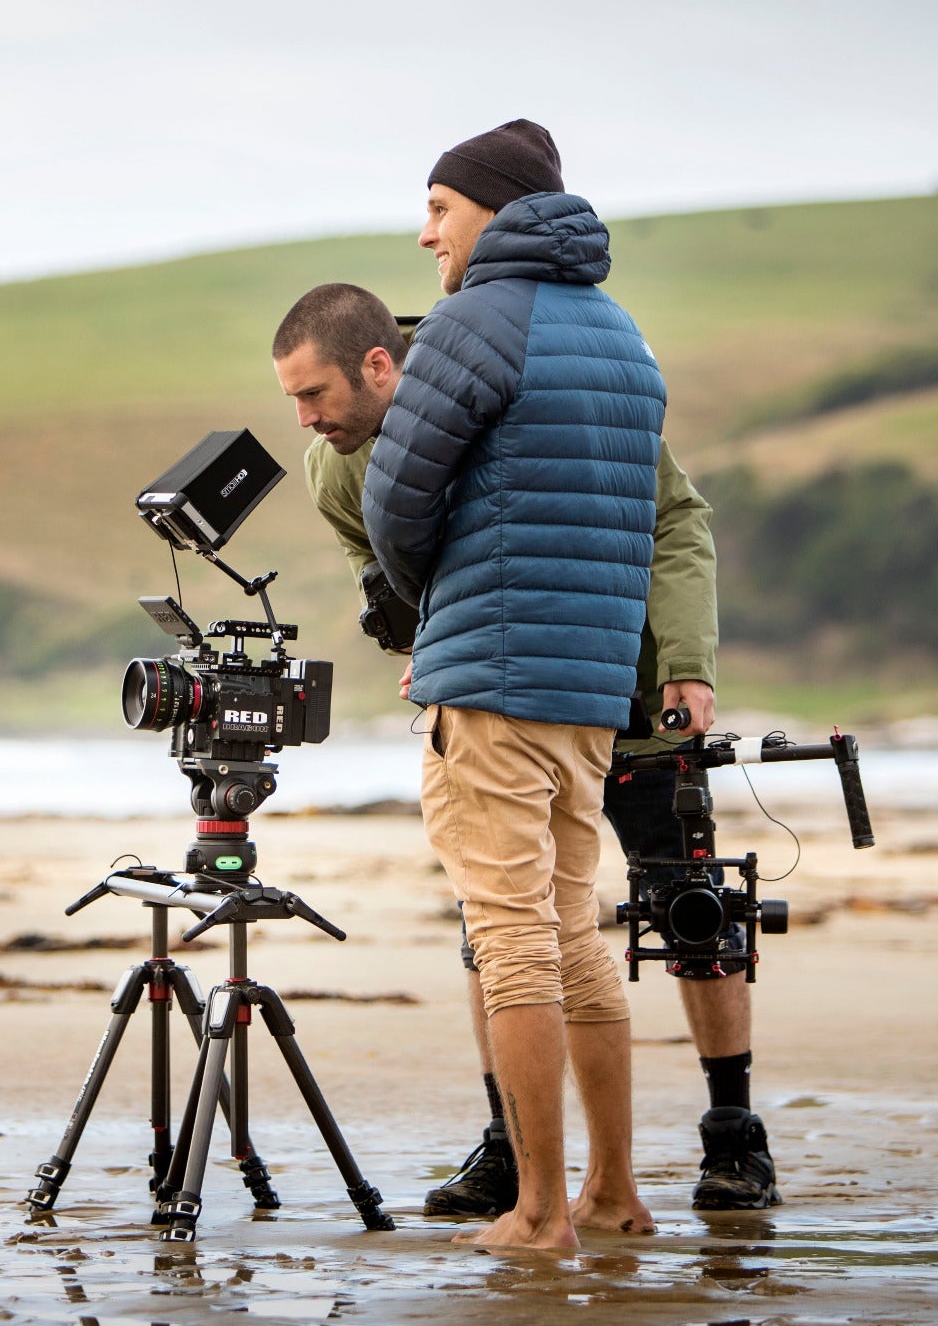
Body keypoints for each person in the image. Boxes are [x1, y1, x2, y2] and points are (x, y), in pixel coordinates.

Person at [277, 277, 780, 1222]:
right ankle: (514, 1145)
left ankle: (733, 1133)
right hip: (499, 694)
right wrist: (425, 643)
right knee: (502, 930)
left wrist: (688, 661)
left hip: (631, 687)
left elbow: (675, 515)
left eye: (317, 397)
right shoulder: (333, 467)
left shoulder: (532, 384)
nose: (306, 422)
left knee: (693, 907)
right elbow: (382, 577)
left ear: (377, 365)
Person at [300, 118, 658, 1249]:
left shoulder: (468, 325)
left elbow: (396, 503)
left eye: (438, 210)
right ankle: (610, 1192)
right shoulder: (621, 334)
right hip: (589, 684)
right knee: (571, 928)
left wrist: (421, 609)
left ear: (492, 212)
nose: (424, 235)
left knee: (508, 934)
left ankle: (539, 1211)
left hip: (491, 675)